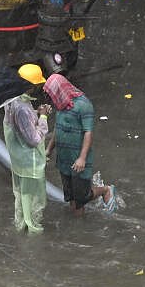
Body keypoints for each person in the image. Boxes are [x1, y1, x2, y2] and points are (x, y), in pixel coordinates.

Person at [43, 73, 112, 215]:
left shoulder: (83, 105)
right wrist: (49, 149)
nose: (51, 99)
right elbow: (58, 127)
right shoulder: (61, 104)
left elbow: (88, 132)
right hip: (64, 159)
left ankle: (105, 190)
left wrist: (82, 158)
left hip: (78, 158)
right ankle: (78, 221)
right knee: (71, 197)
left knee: (82, 196)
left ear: (60, 91)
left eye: (53, 94)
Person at [3, 64, 51, 233]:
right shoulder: (22, 108)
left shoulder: (11, 100)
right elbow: (34, 139)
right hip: (30, 162)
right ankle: (33, 232)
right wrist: (43, 117)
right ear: (31, 86)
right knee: (35, 200)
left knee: (21, 196)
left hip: (18, 160)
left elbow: (19, 126)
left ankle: (20, 227)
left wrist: (36, 113)